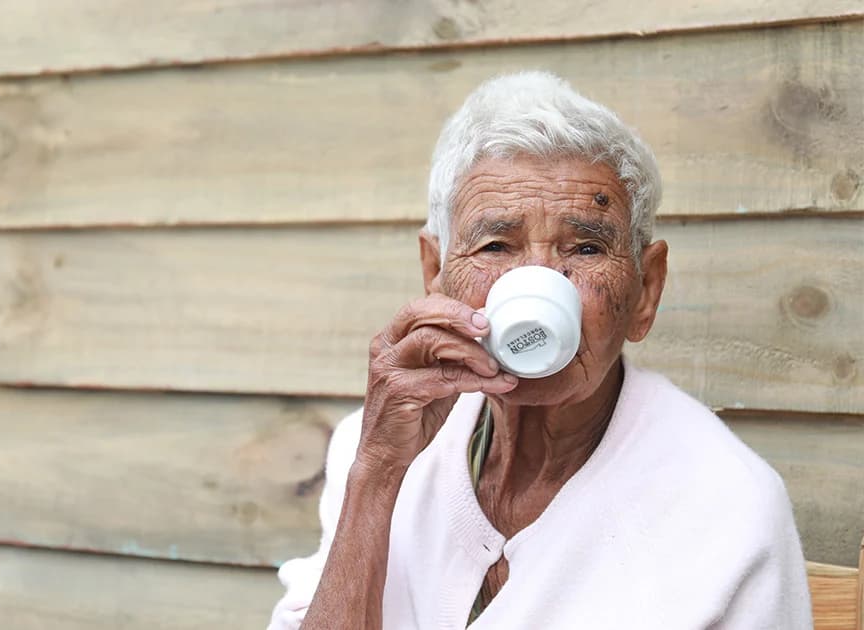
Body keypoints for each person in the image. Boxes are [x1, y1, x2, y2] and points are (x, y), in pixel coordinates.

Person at [267, 71, 812, 629]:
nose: (538, 283)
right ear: (436, 274)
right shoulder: (377, 447)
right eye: (495, 245)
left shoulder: (728, 508)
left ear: (645, 291)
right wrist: (377, 475)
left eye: (586, 248)